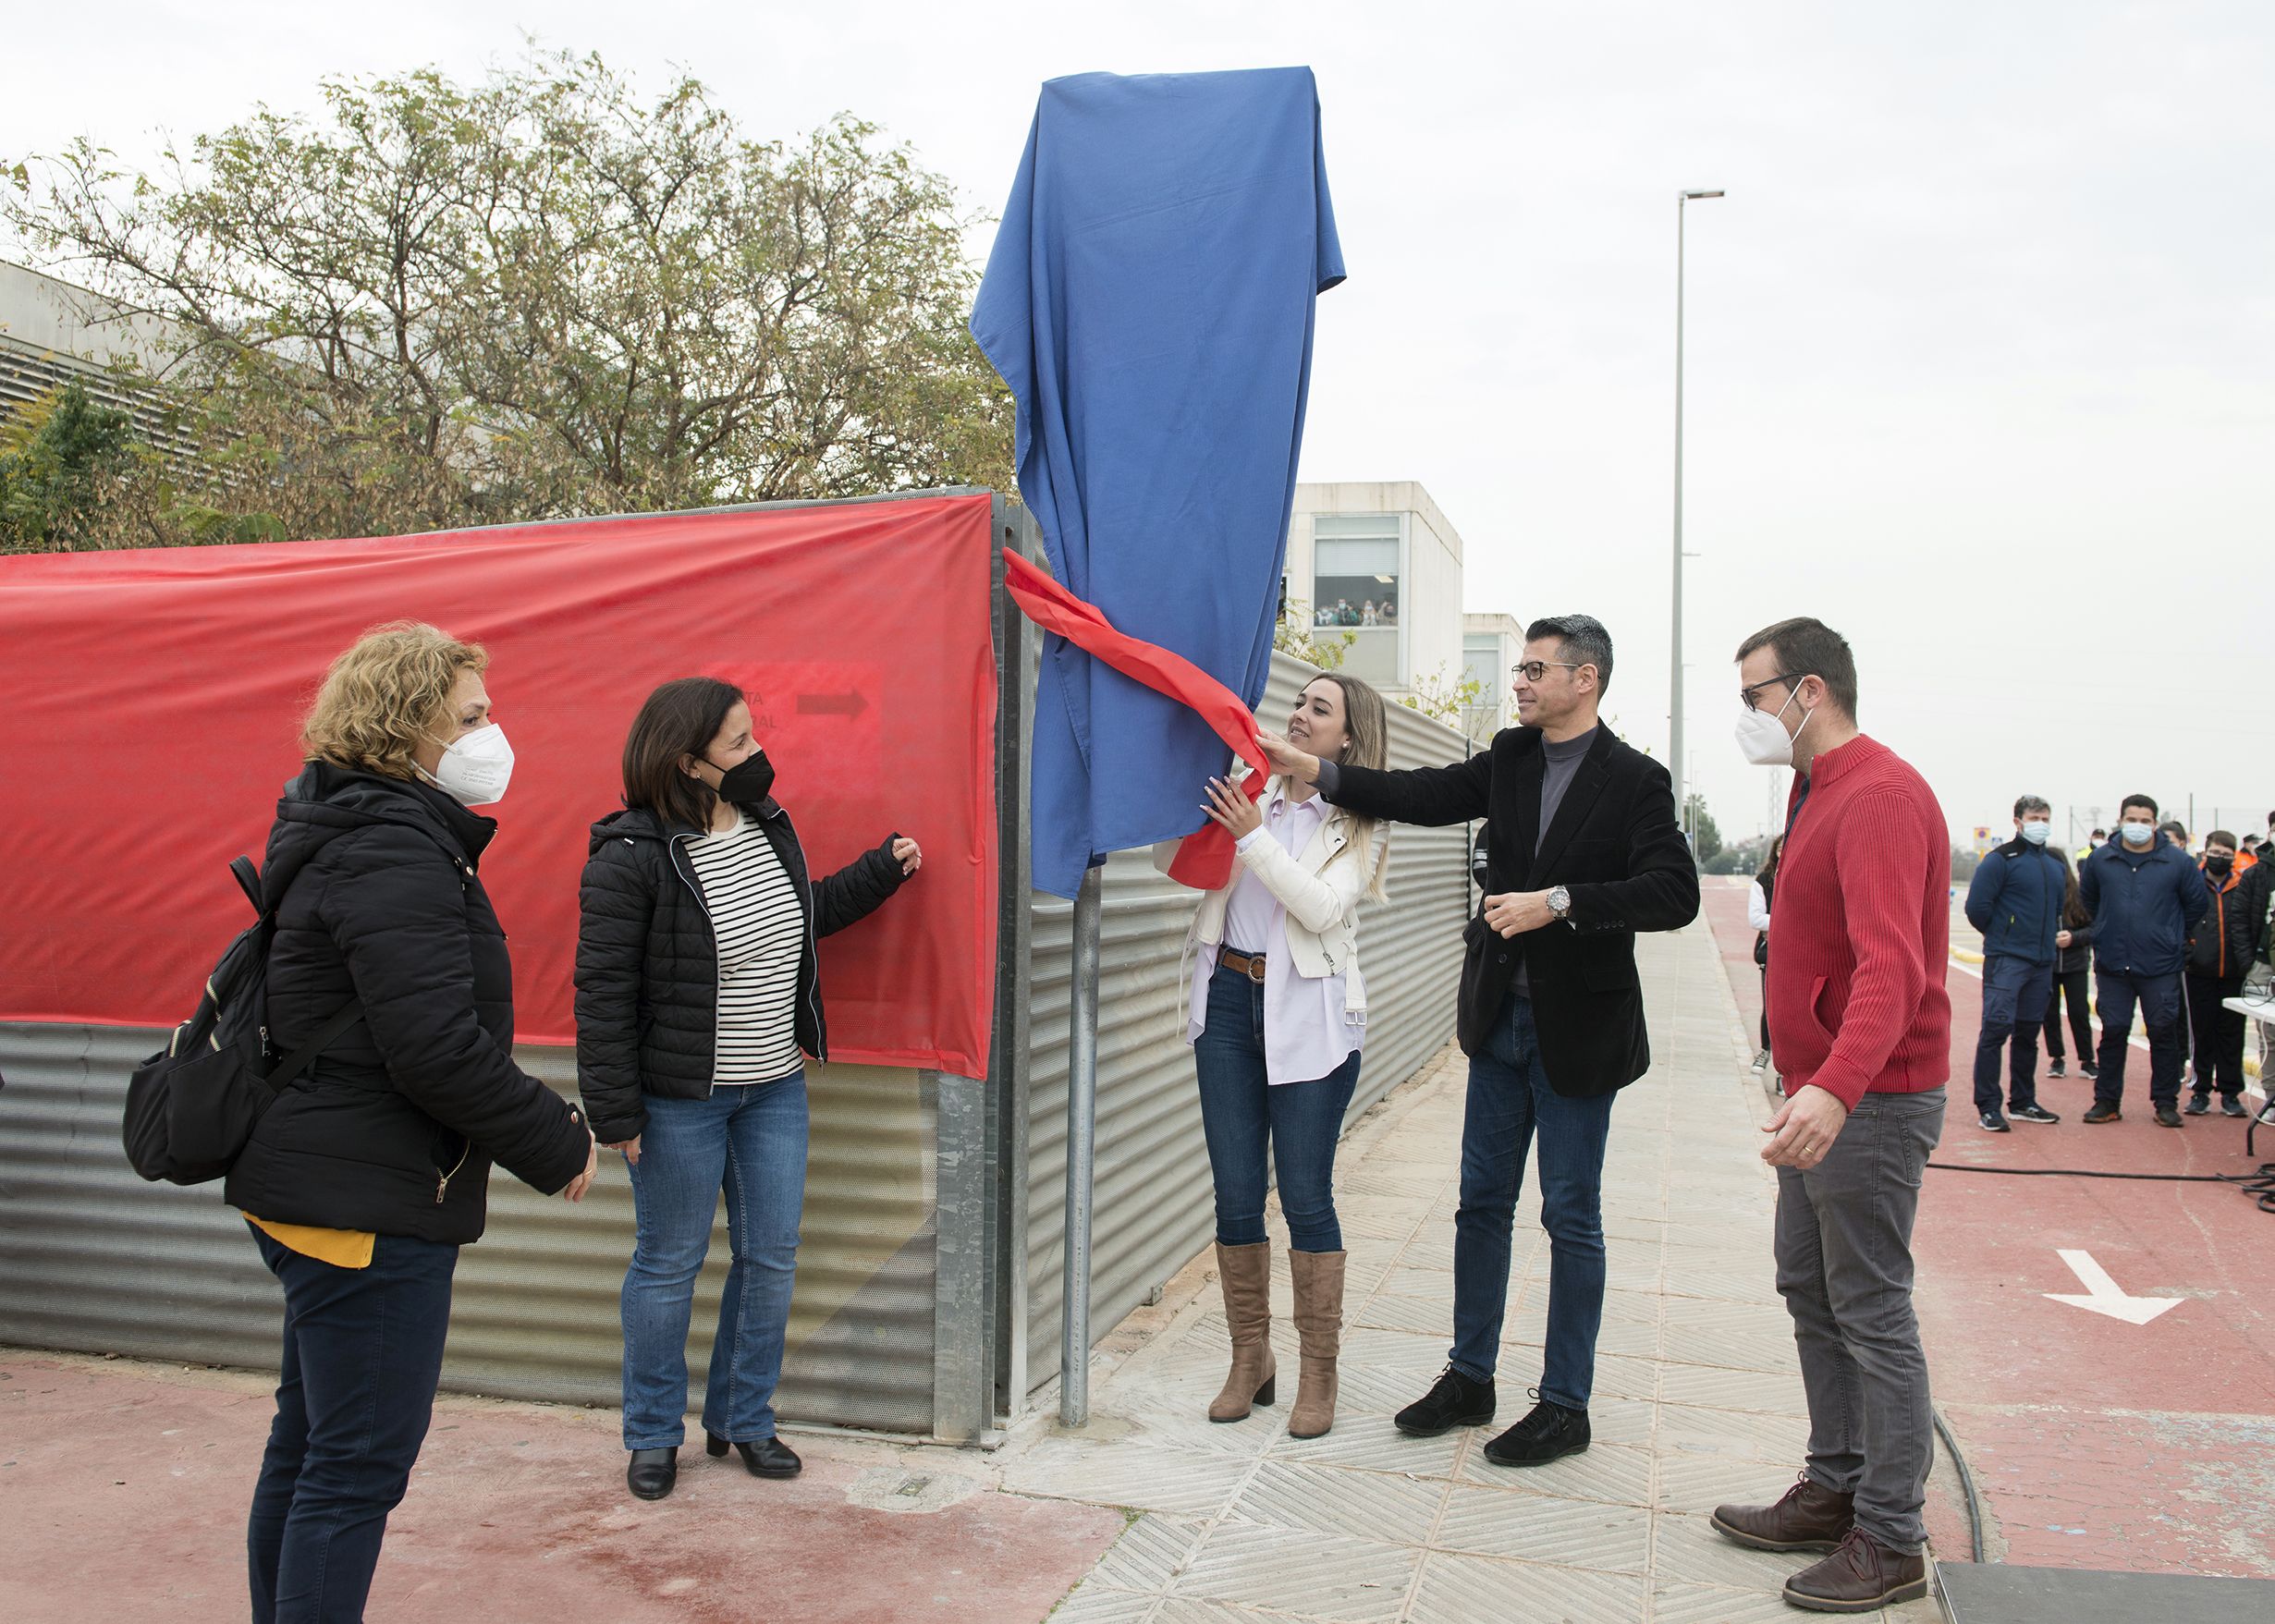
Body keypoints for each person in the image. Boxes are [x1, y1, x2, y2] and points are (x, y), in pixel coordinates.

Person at [1258, 614, 1699, 1471]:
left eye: (1535, 669)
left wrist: (1558, 902)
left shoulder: (1635, 779)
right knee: (1480, 1205)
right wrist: (1315, 770)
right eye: (1520, 668)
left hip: (1578, 1034)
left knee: (1570, 1216)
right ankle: (1470, 1378)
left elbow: (1672, 892)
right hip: (1499, 1019)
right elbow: (1420, 795)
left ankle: (1564, 1403)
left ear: (1585, 679)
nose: (1519, 682)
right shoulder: (1510, 756)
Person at [226, 623, 599, 1623]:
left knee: (310, 1446)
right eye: (470, 717)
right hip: (364, 1201)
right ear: (407, 730)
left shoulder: (351, 826)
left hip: (320, 1177)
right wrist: (554, 1136)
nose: (492, 734)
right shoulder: (392, 847)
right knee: (353, 1467)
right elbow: (432, 1047)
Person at [576, 678, 921, 1501]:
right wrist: (615, 1113)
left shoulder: (765, 823)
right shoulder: (631, 856)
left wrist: (879, 872)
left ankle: (744, 1417)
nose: (756, 752)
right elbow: (601, 994)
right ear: (686, 762)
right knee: (669, 1264)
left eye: (751, 734)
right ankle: (652, 1434)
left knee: (769, 1258)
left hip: (773, 1088)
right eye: (737, 743)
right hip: (677, 1101)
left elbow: (801, 917)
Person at [1711, 617, 1948, 1615]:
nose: (1746, 716)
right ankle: (1837, 1484)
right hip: (1819, 1089)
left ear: (1809, 691)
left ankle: (1891, 1535)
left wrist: (1835, 1086)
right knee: (1809, 1287)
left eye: (1754, 696)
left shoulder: (1880, 795)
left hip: (1869, 1101)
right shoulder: (1814, 789)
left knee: (1872, 1309)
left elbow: (1894, 969)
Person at [1154, 673, 1390, 1438]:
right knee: (1234, 1193)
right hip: (1226, 999)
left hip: (1311, 1016)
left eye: (1319, 708)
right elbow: (1170, 860)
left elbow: (1319, 908)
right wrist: (1187, 804)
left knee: (1305, 1195)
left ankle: (1318, 1373)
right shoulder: (1247, 787)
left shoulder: (1358, 819)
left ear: (1347, 736)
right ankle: (1249, 1357)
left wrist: (1251, 833)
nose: (1298, 714)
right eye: (1298, 702)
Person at [2078, 795, 2207, 1128]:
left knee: (2163, 1032)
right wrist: (2107, 928)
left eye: (2145, 820)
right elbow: (2089, 899)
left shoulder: (2177, 862)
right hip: (2113, 963)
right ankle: (2106, 1101)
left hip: (2160, 965)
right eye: (2131, 819)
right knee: (2113, 1031)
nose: (2138, 826)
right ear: (2121, 821)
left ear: (2155, 823)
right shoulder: (2101, 859)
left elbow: (2196, 904)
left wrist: (2171, 935)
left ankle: (2165, 1103)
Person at [1963, 797, 2066, 1129]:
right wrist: (2003, 935)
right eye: (2034, 817)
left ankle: (2023, 1102)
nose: (2041, 824)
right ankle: (1988, 1106)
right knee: (1996, 1030)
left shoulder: (2054, 864)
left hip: (2042, 962)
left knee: (2028, 1033)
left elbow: (2058, 909)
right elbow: (1977, 908)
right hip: (2007, 959)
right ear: (2018, 821)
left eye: (2045, 818)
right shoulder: (2001, 860)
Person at [2183, 832, 2254, 1117]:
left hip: (2234, 972)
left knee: (2232, 1035)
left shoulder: (2242, 885)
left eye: (2226, 854)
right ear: (2205, 852)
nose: (2220, 858)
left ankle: (2230, 1093)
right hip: (2199, 971)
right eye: (2215, 852)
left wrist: (2246, 961)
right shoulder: (2192, 884)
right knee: (2201, 1033)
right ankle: (2200, 1091)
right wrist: (2189, 953)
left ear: (2233, 856)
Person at [2043, 851, 2097, 1081]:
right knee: (2049, 1012)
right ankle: (2057, 1058)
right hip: (2047, 963)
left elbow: (2094, 929)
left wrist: (2073, 938)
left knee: (2079, 1011)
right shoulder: (2039, 893)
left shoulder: (2079, 895)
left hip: (2075, 963)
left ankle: (2087, 1059)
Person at [1749, 835, 1786, 1070]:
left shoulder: (1801, 875)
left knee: (1793, 1011)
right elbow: (1755, 919)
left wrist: (1773, 923)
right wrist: (1788, 921)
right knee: (1770, 1005)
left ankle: (1784, 1070)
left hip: (1800, 953)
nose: (1784, 852)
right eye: (1780, 848)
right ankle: (1765, 1051)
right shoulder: (1764, 880)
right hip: (1771, 953)